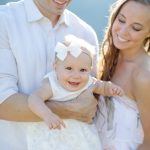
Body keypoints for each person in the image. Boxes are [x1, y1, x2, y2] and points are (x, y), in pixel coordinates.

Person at [0, 0, 99, 149]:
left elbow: (89, 106)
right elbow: (3, 102)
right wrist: (69, 109)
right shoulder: (4, 21)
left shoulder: (86, 33)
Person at [27, 35, 124, 150]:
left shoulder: (88, 82)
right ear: (55, 67)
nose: (76, 75)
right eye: (69, 68)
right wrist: (47, 115)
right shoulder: (52, 85)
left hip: (80, 136)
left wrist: (111, 88)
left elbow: (101, 86)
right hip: (53, 135)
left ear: (90, 69)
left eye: (83, 70)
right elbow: (34, 98)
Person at [95, 0, 150, 150]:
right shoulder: (109, 57)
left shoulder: (143, 77)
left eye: (136, 28)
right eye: (121, 20)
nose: (123, 31)